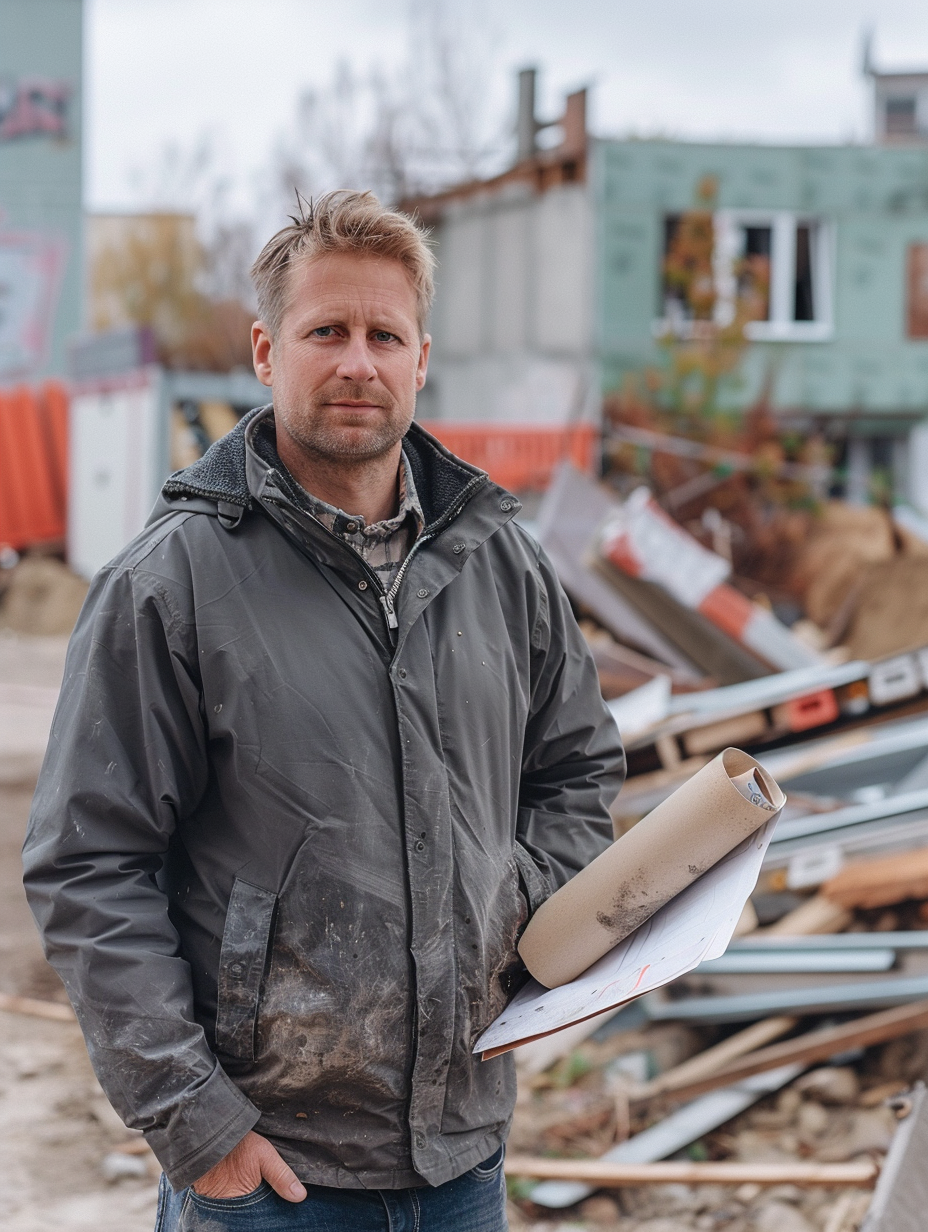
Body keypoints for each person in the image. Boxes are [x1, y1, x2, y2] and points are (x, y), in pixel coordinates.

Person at [23, 190, 625, 1231]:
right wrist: (195, 1124)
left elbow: (575, 770)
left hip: (462, 1158)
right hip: (268, 1174)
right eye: (326, 332)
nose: (359, 361)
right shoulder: (172, 584)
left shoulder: (500, 565)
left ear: (421, 358)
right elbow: (89, 862)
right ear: (266, 349)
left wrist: (517, 915)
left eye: (384, 334)